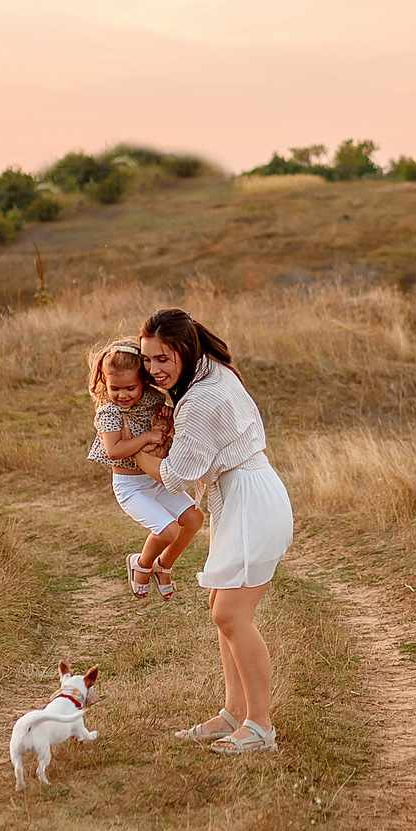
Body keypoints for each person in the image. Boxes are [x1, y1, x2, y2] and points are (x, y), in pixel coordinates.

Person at [129, 307, 294, 755]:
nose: (153, 370)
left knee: (231, 615)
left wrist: (126, 452)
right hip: (244, 495)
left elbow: (177, 475)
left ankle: (260, 726)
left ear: (184, 349)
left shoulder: (202, 396)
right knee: (220, 606)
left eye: (163, 359)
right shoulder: (209, 372)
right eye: (146, 360)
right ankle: (233, 713)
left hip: (252, 501)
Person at [85, 339, 203, 599]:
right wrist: (148, 437)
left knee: (194, 518)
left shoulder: (152, 399)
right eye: (115, 388)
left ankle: (164, 565)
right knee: (168, 530)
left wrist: (165, 421)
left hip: (156, 478)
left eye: (131, 388)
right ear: (105, 383)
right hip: (131, 487)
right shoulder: (109, 412)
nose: (123, 395)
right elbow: (114, 450)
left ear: (143, 382)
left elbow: (166, 427)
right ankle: (141, 563)